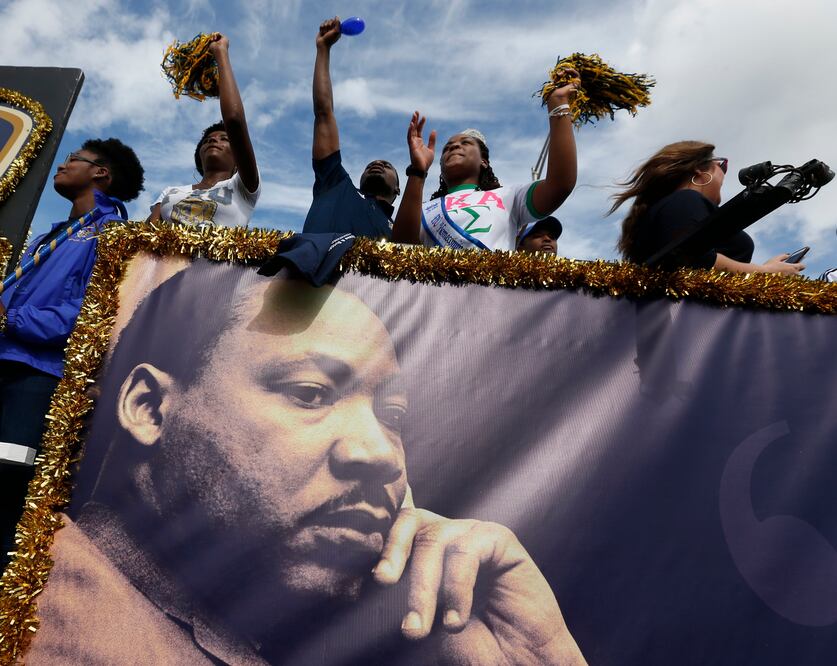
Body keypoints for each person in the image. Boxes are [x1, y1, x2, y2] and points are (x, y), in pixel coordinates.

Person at [26, 262, 585, 665]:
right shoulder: (43, 620)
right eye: (310, 393)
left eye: (392, 415)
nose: (381, 454)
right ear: (150, 408)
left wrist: (534, 657)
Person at [0, 138, 144, 569]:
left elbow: (85, 314)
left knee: (9, 487)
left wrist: (11, 321)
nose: (61, 166)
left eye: (72, 160)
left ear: (100, 173)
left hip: (38, 378)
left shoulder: (112, 234)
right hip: (6, 361)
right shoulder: (49, 235)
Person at [391, 73, 578, 251]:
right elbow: (401, 249)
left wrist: (558, 104)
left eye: (465, 143)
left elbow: (560, 185)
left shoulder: (509, 197)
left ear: (484, 162)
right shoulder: (425, 210)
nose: (454, 147)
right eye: (447, 147)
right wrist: (418, 172)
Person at [610, 141, 804, 274]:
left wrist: (762, 270)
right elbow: (691, 260)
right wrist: (764, 272)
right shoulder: (685, 199)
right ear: (700, 170)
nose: (725, 173)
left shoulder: (668, 206)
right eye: (722, 165)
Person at [302, 17, 400, 239]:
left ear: (398, 190)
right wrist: (323, 49)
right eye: (372, 165)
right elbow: (324, 113)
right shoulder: (334, 184)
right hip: (305, 274)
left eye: (386, 165)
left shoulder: (403, 233)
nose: (377, 164)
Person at [149, 34, 260, 228]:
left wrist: (220, 52)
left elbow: (234, 120)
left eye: (224, 139)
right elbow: (143, 237)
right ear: (198, 154)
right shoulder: (171, 192)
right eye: (207, 139)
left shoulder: (242, 187)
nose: (213, 140)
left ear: (239, 157)